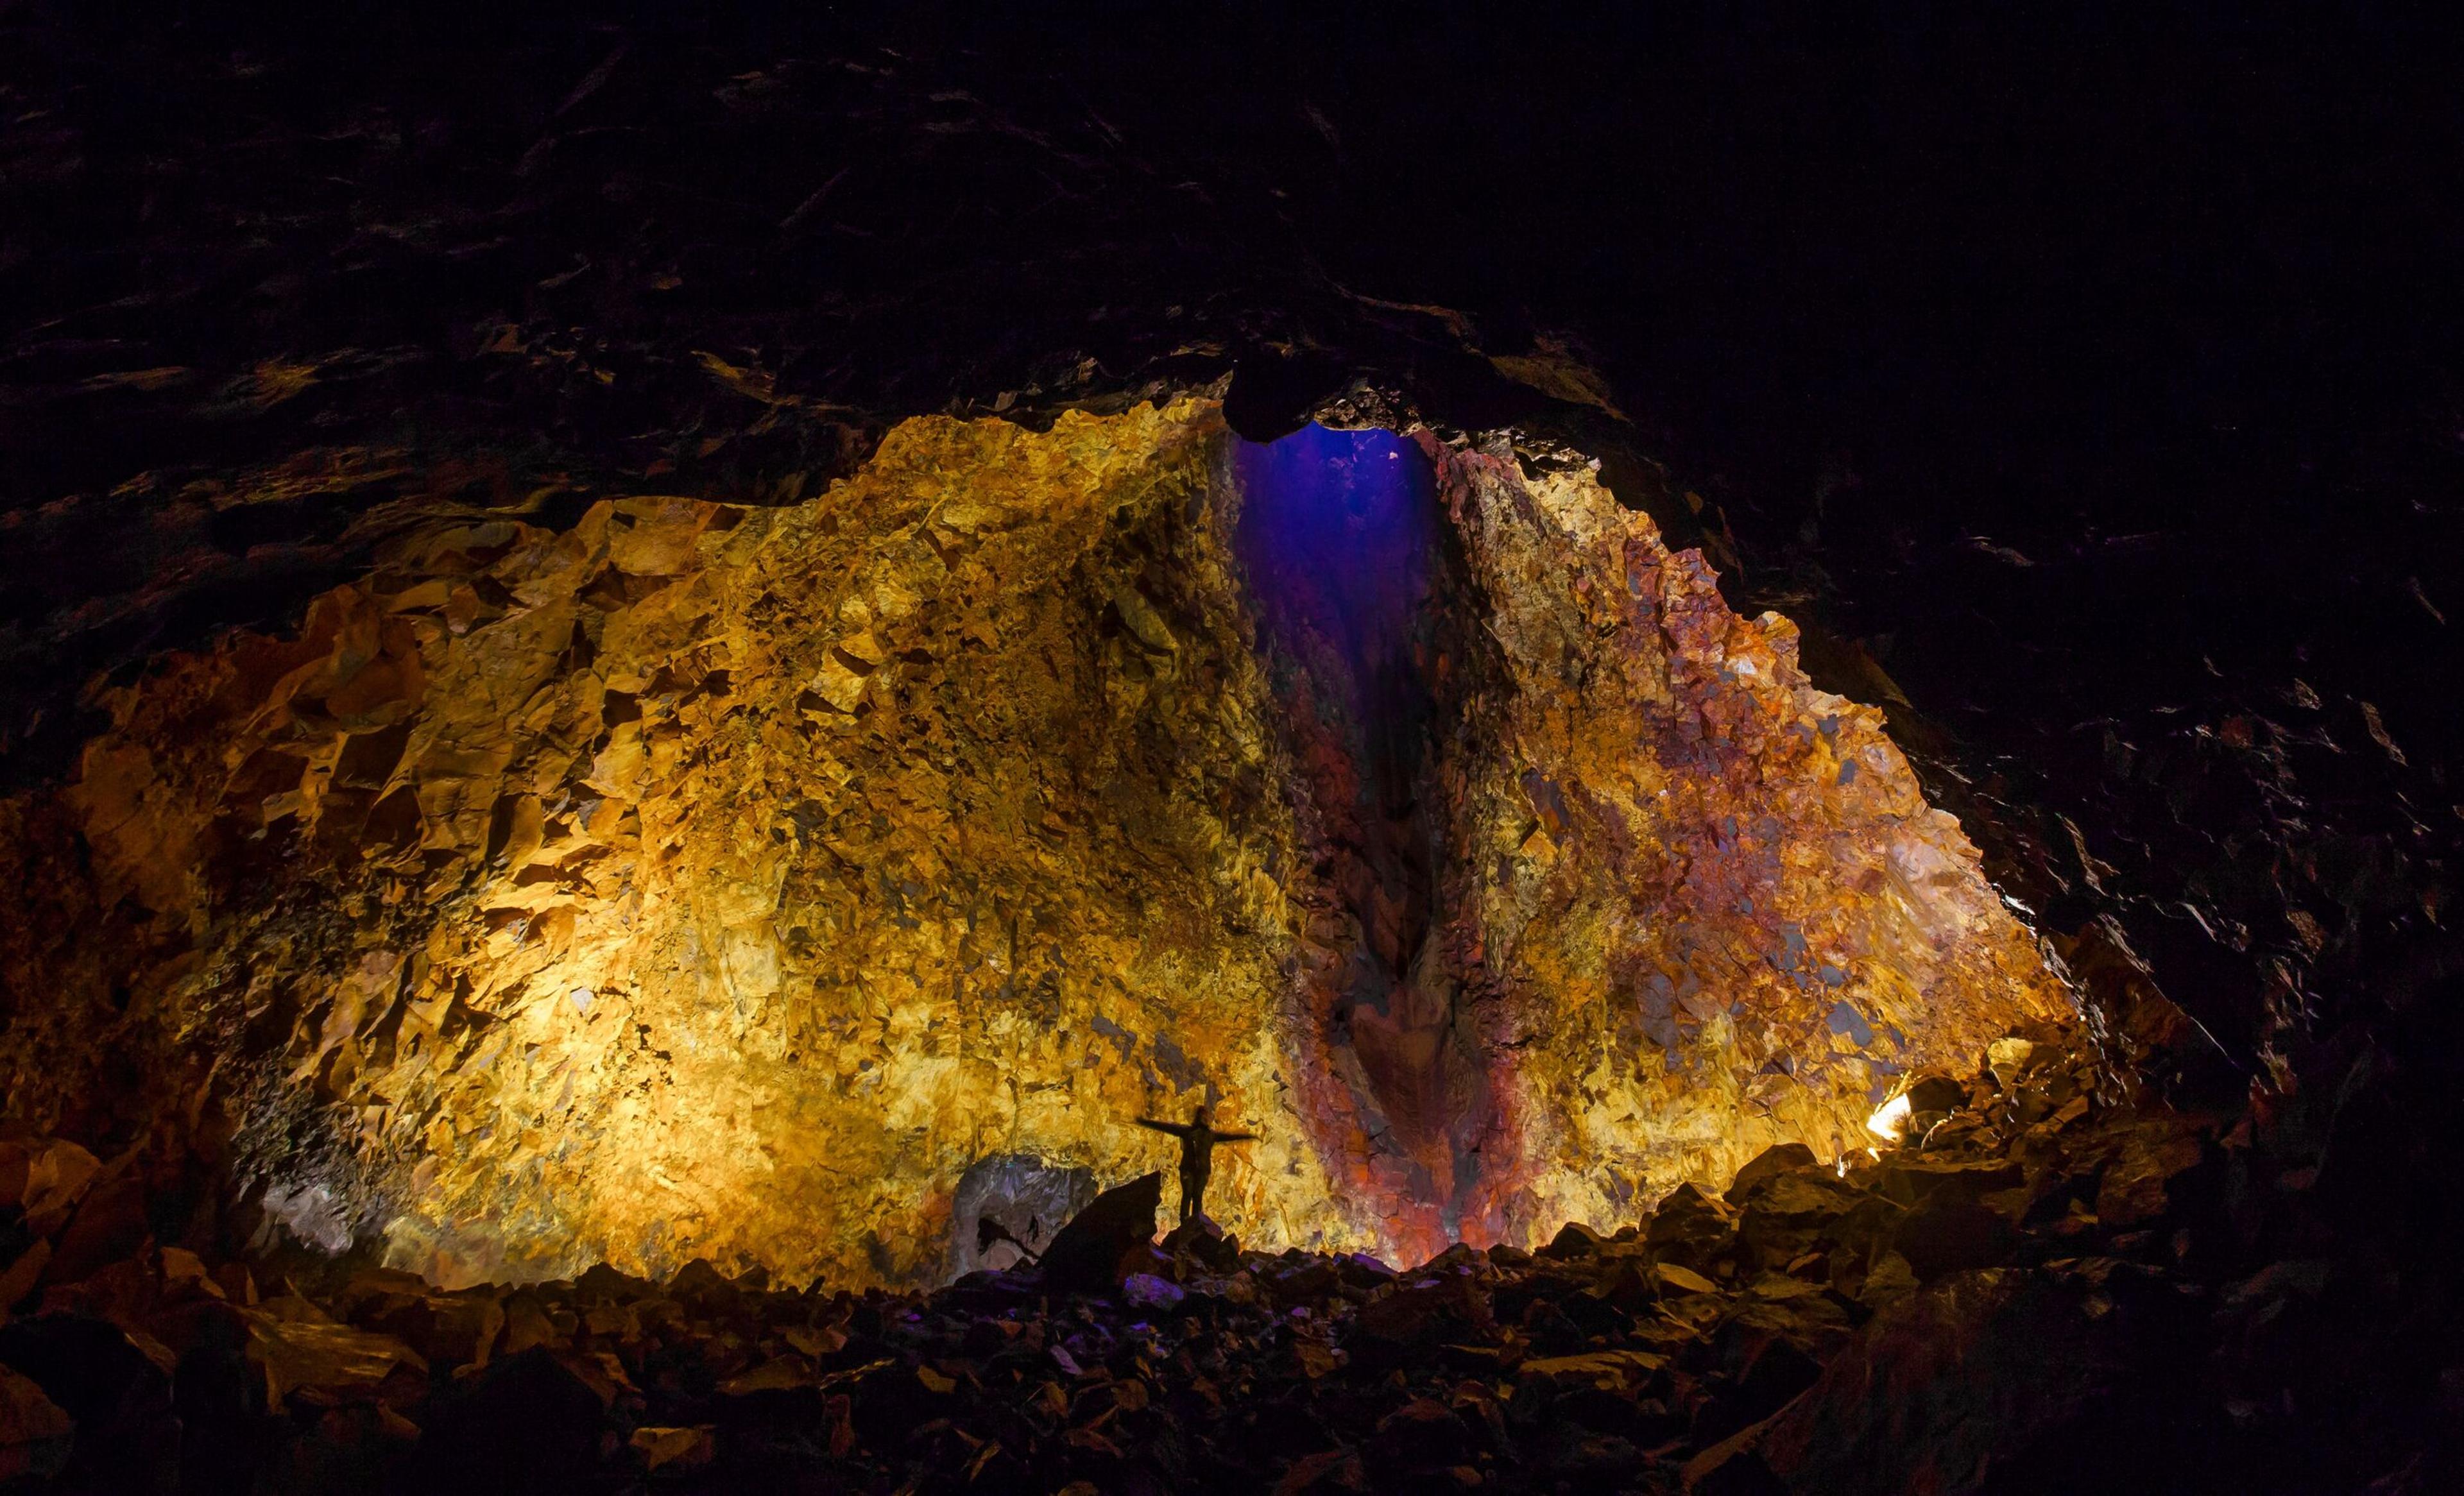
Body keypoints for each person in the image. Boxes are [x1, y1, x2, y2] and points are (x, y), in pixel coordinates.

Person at [1134, 1104, 1256, 1224]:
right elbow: (1165, 1127)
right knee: (1188, 1194)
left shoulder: (1210, 1135)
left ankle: (1196, 1222)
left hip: (1202, 1171)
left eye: (1206, 1116)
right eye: (1203, 1116)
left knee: (1197, 1196)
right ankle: (1185, 1221)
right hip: (1188, 1169)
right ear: (1198, 1117)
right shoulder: (1188, 1131)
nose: (1205, 1119)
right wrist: (1144, 1122)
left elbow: (1230, 1137)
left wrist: (1248, 1136)